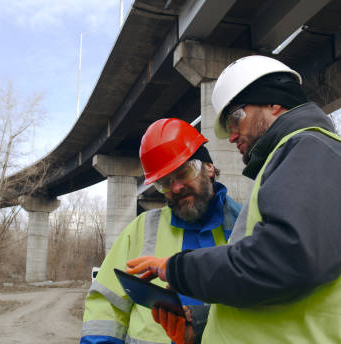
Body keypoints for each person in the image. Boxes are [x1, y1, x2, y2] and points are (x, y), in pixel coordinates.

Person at [126, 55, 341, 343]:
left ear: (273, 103)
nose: (231, 137)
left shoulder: (310, 149)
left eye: (234, 120)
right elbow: (275, 289)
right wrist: (203, 326)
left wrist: (177, 268)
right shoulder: (291, 160)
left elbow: (287, 258)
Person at [80, 118, 242, 344]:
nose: (176, 187)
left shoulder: (245, 226)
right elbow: (106, 303)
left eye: (185, 171)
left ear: (209, 167)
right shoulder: (142, 228)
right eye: (164, 182)